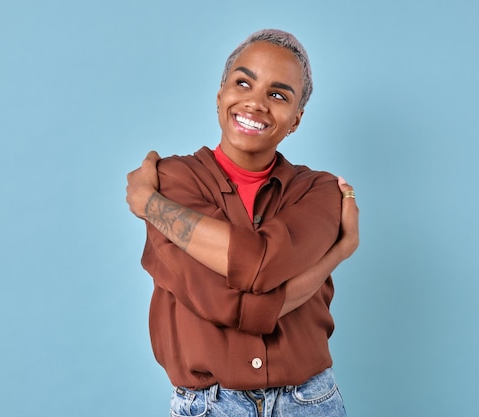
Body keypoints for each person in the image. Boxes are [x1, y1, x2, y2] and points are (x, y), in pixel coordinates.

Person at [126, 29, 359, 417]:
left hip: (309, 401)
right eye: (243, 83)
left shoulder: (319, 191)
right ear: (220, 95)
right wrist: (338, 252)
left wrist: (149, 205)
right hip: (208, 405)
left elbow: (260, 264)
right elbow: (224, 302)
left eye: (278, 95)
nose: (255, 102)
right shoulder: (173, 180)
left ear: (297, 119)